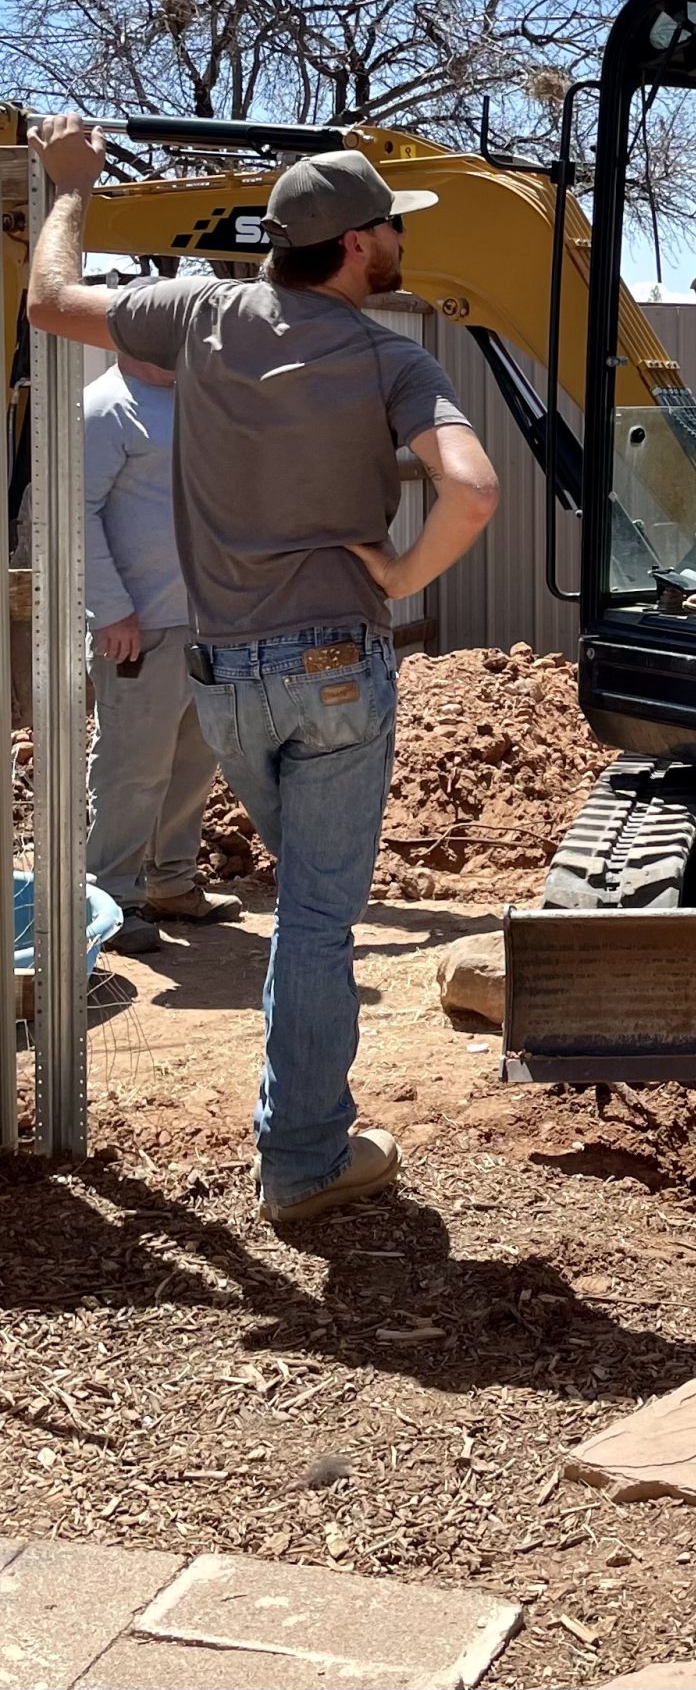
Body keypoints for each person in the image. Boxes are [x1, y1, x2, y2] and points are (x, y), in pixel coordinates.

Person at [27, 119, 501, 1225]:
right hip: (337, 663)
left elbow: (50, 301)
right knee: (319, 916)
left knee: (307, 910)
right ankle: (301, 1158)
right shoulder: (391, 357)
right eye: (389, 225)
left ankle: (306, 1133)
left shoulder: (196, 311)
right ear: (351, 245)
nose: (397, 240)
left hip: (224, 673)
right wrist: (395, 573)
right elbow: (473, 492)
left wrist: (69, 188)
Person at [84, 344, 239, 955]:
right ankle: (111, 897)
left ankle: (170, 883)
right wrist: (111, 608)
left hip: (206, 620)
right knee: (133, 767)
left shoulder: (190, 399)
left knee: (196, 759)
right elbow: (78, 514)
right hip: (139, 627)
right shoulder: (104, 410)